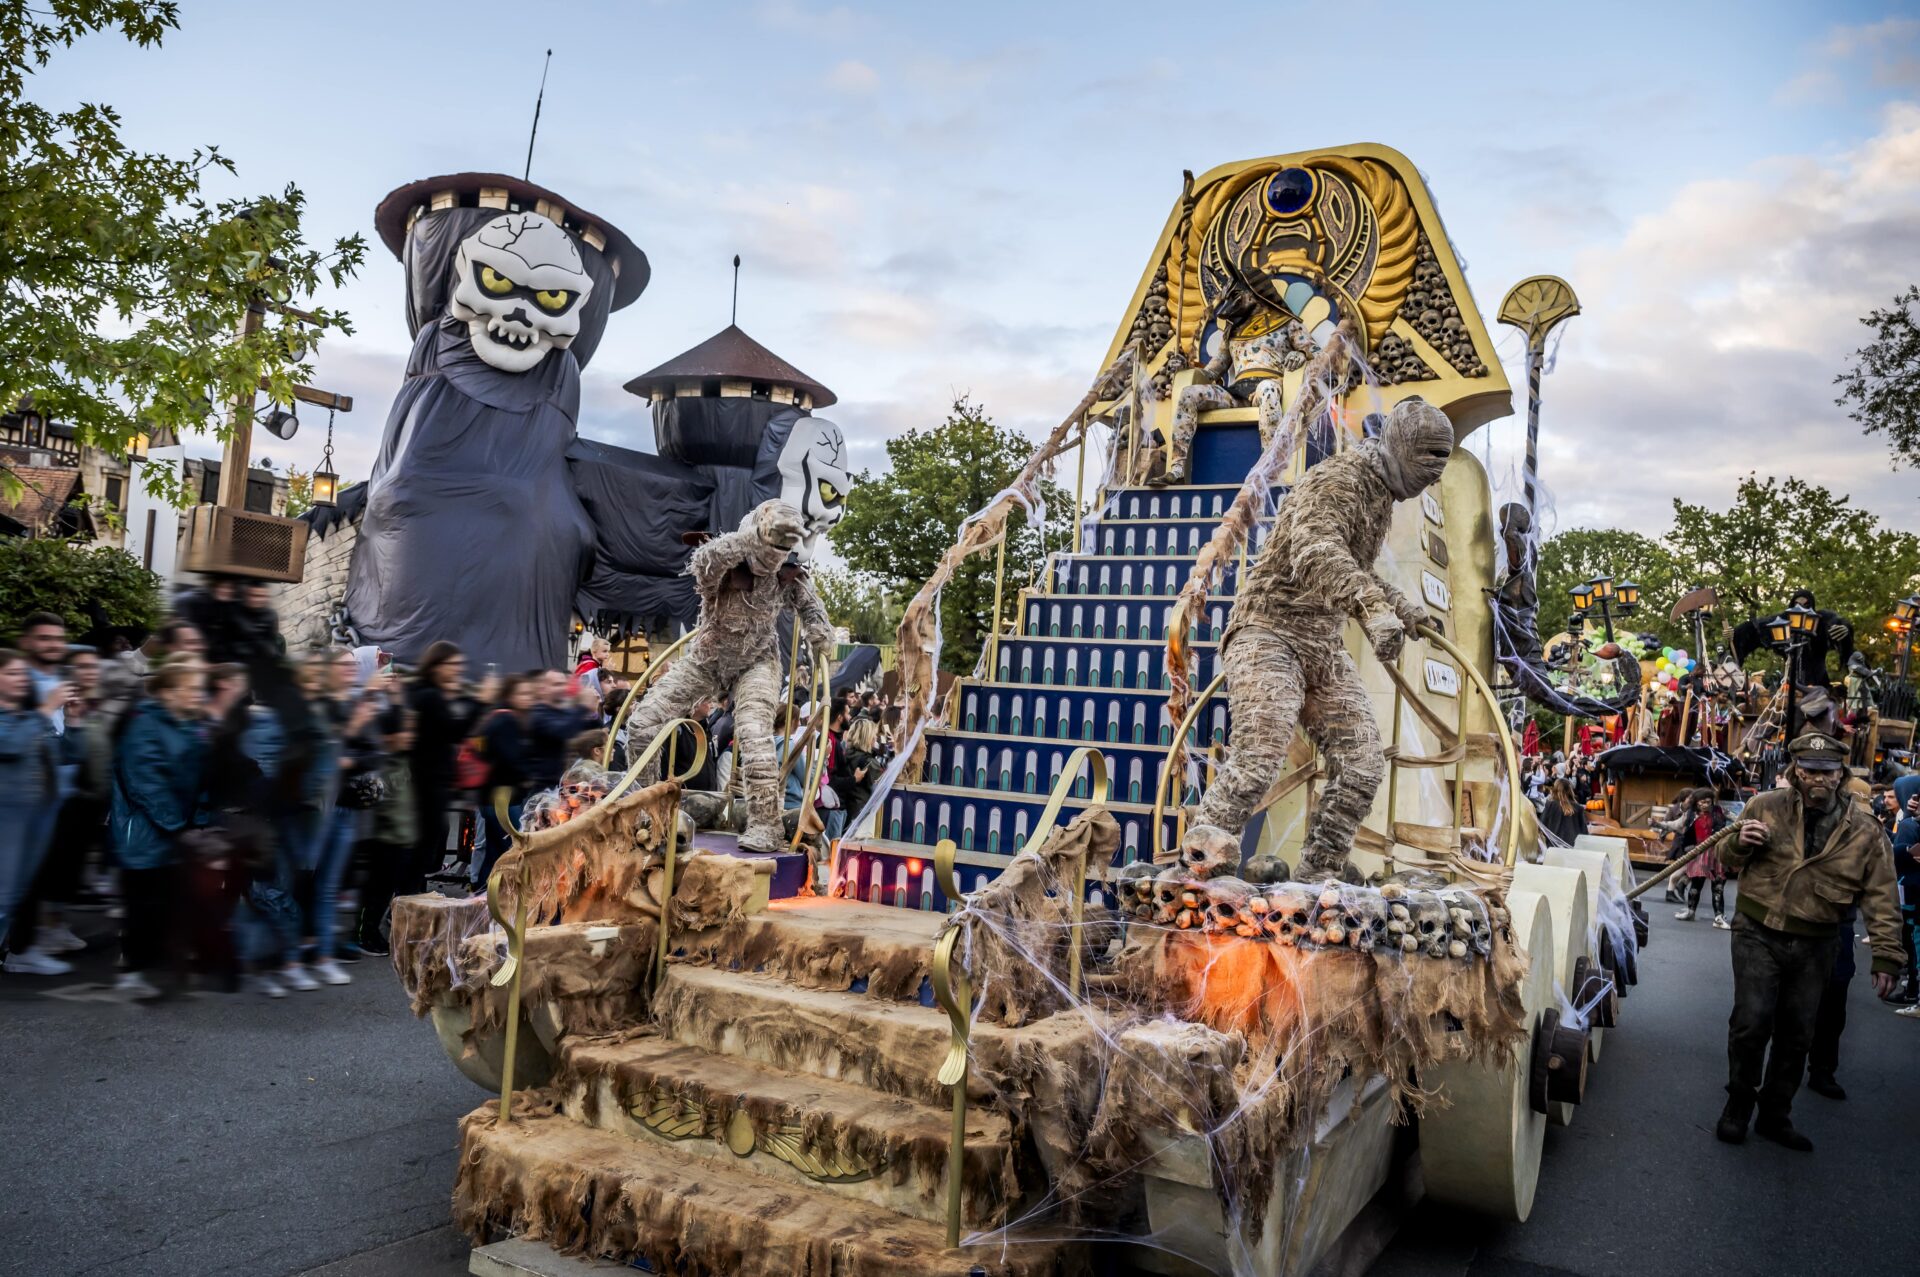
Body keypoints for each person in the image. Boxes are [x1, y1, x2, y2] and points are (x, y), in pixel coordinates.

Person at [1177, 397, 1451, 881]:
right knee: (1259, 756)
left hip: (1321, 646)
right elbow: (1316, 552)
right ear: (1401, 448)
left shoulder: (1379, 494)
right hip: (1269, 632)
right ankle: (1202, 863)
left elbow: (1354, 566)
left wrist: (1401, 607)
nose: (1434, 474)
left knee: (1363, 765)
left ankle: (1316, 876)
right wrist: (1373, 609)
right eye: (1427, 461)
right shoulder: (1338, 479)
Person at [1694, 732, 1903, 1150]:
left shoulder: (1865, 830)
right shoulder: (1764, 807)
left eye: (1826, 772)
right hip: (1758, 930)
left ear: (1840, 774)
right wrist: (1737, 843)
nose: (1817, 780)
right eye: (1808, 771)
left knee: (1797, 1032)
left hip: (1817, 941)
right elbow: (1722, 859)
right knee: (1752, 1021)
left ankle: (1776, 1114)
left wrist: (1887, 955)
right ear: (1794, 771)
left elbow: (1882, 894)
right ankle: (1737, 1106)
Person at [109, 660, 208, 999]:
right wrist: (180, 827)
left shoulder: (191, 723)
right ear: (168, 692)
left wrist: (201, 818)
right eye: (192, 689)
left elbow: (202, 774)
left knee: (173, 899)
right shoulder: (144, 725)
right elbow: (145, 783)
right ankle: (133, 971)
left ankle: (165, 963)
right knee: (142, 902)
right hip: (145, 833)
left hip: (177, 830)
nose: (199, 695)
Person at [0, 650, 64, 975]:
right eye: (12, 673)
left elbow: (60, 755)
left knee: (15, 895)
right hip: (6, 816)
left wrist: (76, 722)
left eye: (23, 674)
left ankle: (12, 953)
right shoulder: (29, 716)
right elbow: (9, 745)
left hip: (35, 814)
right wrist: (47, 710)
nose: (21, 679)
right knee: (4, 895)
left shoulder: (27, 715)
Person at [406, 642, 484, 892]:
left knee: (431, 838)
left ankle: (412, 892)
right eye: (453, 665)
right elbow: (454, 730)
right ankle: (409, 896)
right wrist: (480, 703)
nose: (458, 670)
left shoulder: (424, 692)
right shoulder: (428, 696)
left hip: (430, 780)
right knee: (425, 842)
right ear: (437, 665)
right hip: (427, 781)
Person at [355, 706, 417, 956]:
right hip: (385, 839)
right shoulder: (381, 765)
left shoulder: (404, 759)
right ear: (390, 735)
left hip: (403, 837)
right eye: (405, 730)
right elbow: (374, 805)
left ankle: (375, 928)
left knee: (388, 888)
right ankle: (365, 933)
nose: (411, 734)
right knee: (377, 889)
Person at [475, 675, 535, 887]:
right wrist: (529, 773)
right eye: (523, 693)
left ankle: (482, 895)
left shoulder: (500, 717)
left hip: (495, 796)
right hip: (503, 798)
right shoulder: (507, 720)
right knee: (507, 852)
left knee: (495, 851)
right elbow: (510, 759)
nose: (528, 698)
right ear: (510, 695)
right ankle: (487, 897)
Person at [1672, 790, 1731, 928]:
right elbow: (1676, 825)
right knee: (1696, 885)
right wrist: (1658, 825)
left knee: (1718, 886)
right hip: (1700, 852)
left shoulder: (1719, 811)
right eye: (1702, 802)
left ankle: (1719, 917)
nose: (1705, 805)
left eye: (1708, 802)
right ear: (1696, 803)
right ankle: (1691, 911)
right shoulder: (1691, 814)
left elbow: (1737, 818)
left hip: (1717, 852)